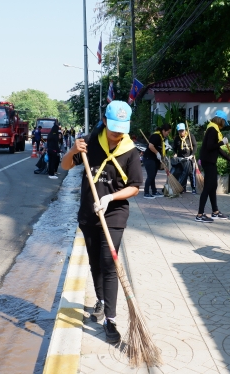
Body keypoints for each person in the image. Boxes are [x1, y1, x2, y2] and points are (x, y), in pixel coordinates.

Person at [61, 100, 143, 344]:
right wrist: (73, 151)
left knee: (109, 264)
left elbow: (135, 187)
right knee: (95, 263)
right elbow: (65, 165)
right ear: (105, 121)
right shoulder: (89, 143)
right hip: (89, 213)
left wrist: (110, 197)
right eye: (114, 128)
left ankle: (110, 318)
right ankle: (101, 300)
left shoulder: (130, 150)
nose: (118, 134)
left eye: (122, 129)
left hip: (114, 214)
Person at [195, 111, 230, 223]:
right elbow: (210, 146)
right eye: (224, 122)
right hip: (208, 162)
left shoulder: (213, 129)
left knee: (213, 186)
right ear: (221, 120)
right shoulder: (212, 130)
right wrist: (222, 143)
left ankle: (215, 211)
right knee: (207, 187)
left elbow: (217, 149)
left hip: (210, 161)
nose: (224, 124)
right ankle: (199, 215)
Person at [143, 124, 172, 198]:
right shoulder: (156, 136)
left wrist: (162, 156)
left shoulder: (161, 138)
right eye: (168, 132)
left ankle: (154, 191)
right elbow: (150, 146)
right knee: (151, 176)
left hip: (155, 159)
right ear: (163, 130)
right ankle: (146, 193)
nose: (168, 134)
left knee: (153, 176)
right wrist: (157, 153)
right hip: (149, 158)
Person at [173, 123, 197, 193]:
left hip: (189, 158)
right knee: (183, 173)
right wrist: (175, 153)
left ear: (185, 130)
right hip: (181, 159)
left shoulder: (190, 136)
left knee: (191, 173)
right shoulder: (177, 138)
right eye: (180, 131)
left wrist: (192, 155)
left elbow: (195, 146)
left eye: (182, 131)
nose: (181, 132)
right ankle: (183, 187)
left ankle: (193, 188)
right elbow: (174, 148)